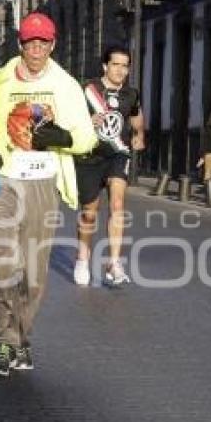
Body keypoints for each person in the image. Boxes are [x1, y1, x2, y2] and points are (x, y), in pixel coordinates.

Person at [0, 12, 97, 377]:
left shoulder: (66, 85)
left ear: (52, 45)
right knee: (5, 262)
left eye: (43, 43)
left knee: (34, 273)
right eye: (29, 42)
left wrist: (63, 139)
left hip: (42, 182)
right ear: (19, 44)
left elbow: (87, 139)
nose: (35, 49)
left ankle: (23, 336)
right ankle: (5, 341)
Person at [73, 44, 145, 287]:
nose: (121, 70)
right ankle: (83, 258)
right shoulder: (88, 89)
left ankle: (114, 262)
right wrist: (87, 121)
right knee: (89, 213)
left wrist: (139, 134)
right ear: (105, 66)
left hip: (117, 154)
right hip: (89, 157)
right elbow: (70, 118)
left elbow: (136, 115)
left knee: (117, 204)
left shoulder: (131, 94)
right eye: (116, 65)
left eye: (125, 66)